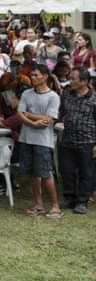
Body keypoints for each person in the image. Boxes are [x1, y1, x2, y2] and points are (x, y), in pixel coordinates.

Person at [18, 64, 62, 219]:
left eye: (36, 75)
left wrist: (29, 115)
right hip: (26, 138)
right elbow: (20, 114)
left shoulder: (53, 97)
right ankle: (38, 204)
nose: (33, 77)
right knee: (33, 173)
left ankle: (55, 205)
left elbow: (50, 119)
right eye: (32, 75)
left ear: (45, 76)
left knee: (45, 173)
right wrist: (33, 122)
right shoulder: (26, 93)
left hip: (43, 140)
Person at [58, 68, 96, 214]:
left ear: (84, 81)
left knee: (86, 173)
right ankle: (69, 197)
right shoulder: (67, 95)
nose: (71, 81)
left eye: (74, 79)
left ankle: (82, 201)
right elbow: (61, 112)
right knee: (67, 170)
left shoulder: (94, 99)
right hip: (68, 139)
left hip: (87, 141)